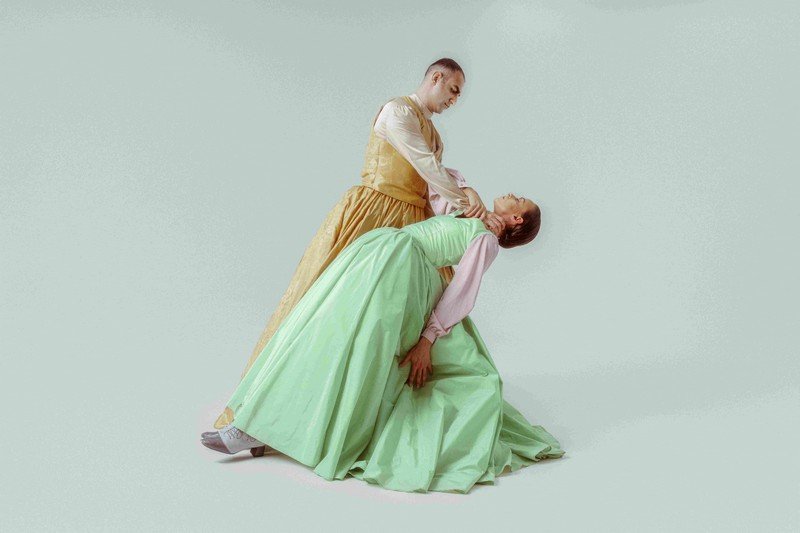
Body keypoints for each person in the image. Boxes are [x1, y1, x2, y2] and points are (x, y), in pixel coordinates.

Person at [201, 192, 565, 494]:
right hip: (383, 255)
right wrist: (468, 195)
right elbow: (438, 188)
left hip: (402, 272)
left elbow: (462, 291)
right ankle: (259, 424)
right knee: (322, 332)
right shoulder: (470, 214)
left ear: (517, 219)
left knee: (354, 350)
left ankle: (260, 430)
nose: (511, 194)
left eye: (519, 199)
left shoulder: (485, 241)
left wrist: (428, 338)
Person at [213, 57, 498, 429]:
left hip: (413, 227)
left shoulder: (434, 133)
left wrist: (466, 199)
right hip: (373, 213)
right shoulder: (397, 112)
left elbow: (433, 189)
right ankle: (264, 410)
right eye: (453, 90)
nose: (455, 99)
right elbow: (427, 167)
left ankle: (355, 417)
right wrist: (467, 198)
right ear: (436, 77)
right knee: (325, 308)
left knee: (384, 326)